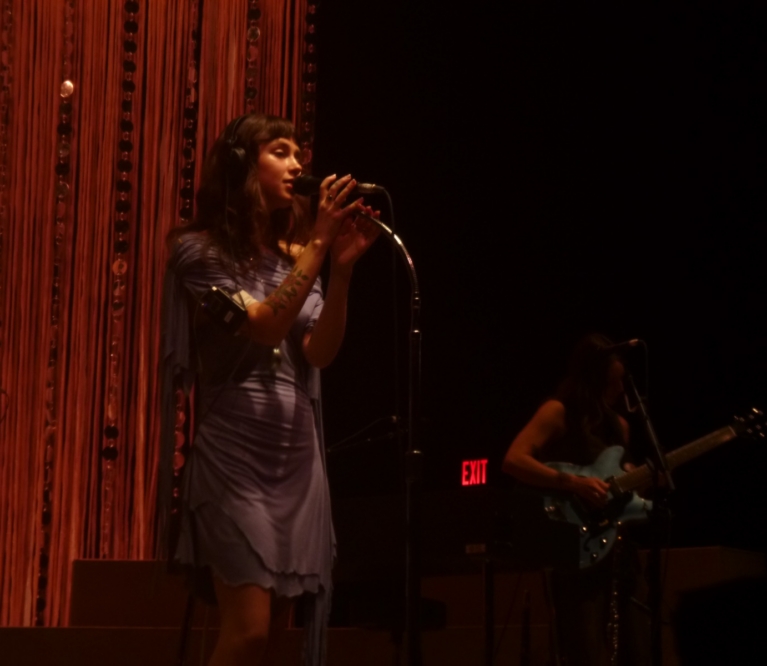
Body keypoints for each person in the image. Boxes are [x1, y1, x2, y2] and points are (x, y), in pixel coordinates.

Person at [159, 113, 380, 666]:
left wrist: (344, 271)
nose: (299, 164)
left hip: (295, 457)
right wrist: (320, 243)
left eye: (299, 152)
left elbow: (318, 352)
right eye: (280, 151)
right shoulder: (197, 252)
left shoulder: (294, 258)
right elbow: (262, 324)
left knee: (275, 638)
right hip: (234, 455)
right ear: (240, 166)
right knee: (248, 632)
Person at [501, 333, 649, 666]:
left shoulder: (619, 426)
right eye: (615, 381)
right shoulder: (558, 411)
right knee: (585, 650)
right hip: (574, 550)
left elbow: (615, 489)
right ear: (597, 376)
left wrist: (642, 483)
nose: (622, 390)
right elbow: (514, 459)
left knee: (636, 649)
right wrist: (574, 483)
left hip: (619, 550)